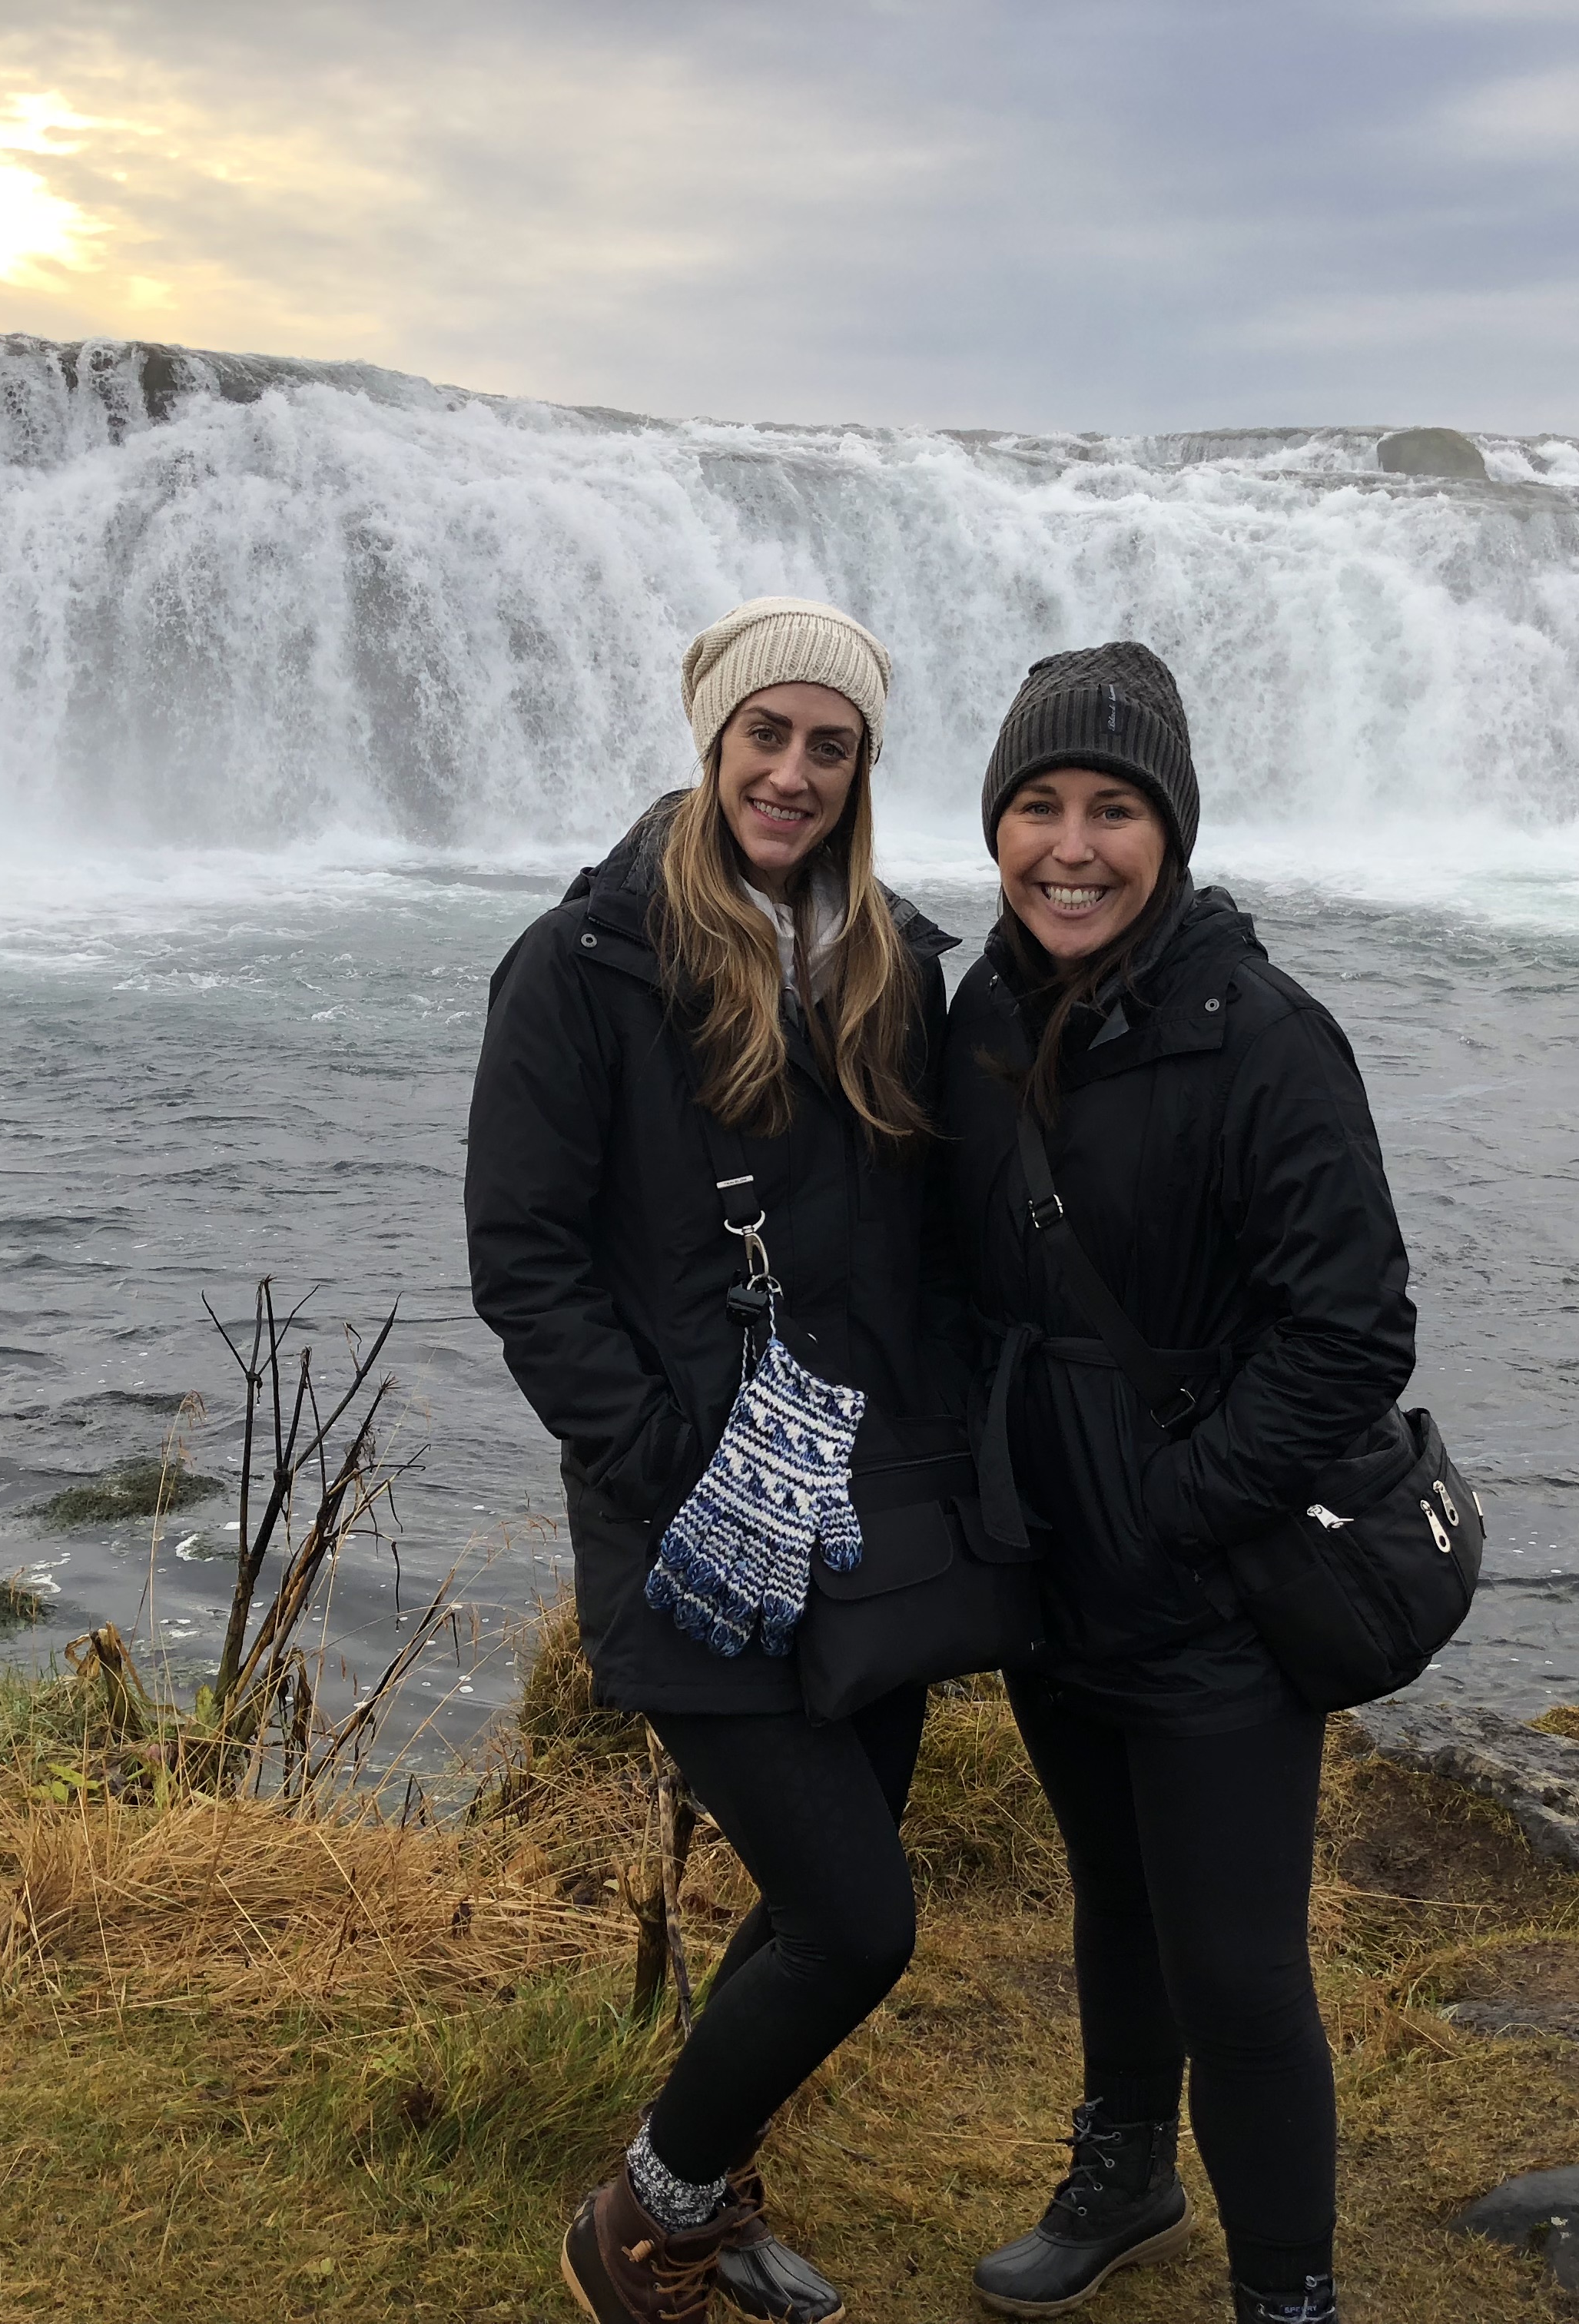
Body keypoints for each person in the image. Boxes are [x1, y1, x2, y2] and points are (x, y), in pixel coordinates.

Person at [467, 596, 963, 2324]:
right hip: (688, 1520)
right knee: (861, 1919)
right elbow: (523, 1259)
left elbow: (925, 1246)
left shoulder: (894, 960)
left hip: (868, 1517)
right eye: (770, 735)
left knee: (821, 1893)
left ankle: (705, 2167)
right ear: (712, 740)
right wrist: (676, 1469)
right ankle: (641, 2217)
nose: (797, 772)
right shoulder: (585, 965)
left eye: (833, 747)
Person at [940, 643, 1418, 2324]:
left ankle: (1288, 2290)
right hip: (1051, 1577)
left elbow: (1354, 1339)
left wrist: (1175, 1513)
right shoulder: (980, 1012)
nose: (1072, 846)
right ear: (997, 826)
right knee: (1119, 1903)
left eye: (1114, 810)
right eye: (1039, 807)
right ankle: (1128, 2173)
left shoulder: (1270, 1043)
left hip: (1208, 1590)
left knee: (1237, 1964)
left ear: (1174, 833)